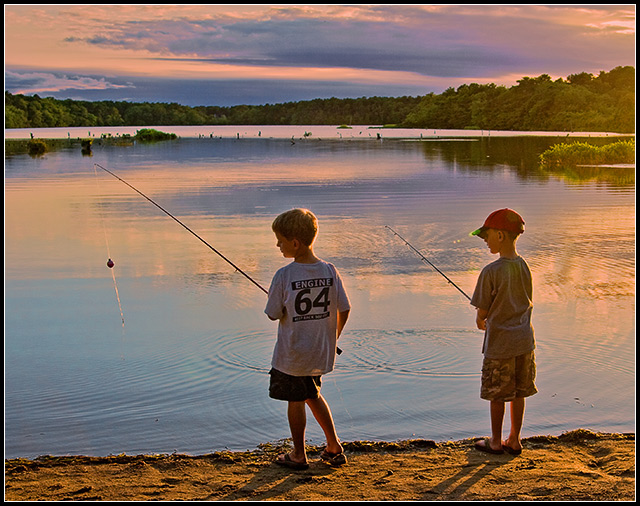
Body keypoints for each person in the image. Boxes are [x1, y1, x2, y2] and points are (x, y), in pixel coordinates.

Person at [265, 208, 351, 470]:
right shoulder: (329, 270)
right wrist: (332, 337)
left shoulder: (284, 275)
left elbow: (272, 314)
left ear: (295, 243)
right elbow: (344, 309)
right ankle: (334, 446)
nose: (277, 245)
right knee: (312, 394)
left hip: (293, 354)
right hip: (318, 351)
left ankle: (299, 455)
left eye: (280, 240)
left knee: (296, 399)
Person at [469, 208, 537, 456]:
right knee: (519, 392)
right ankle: (515, 439)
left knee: (497, 394)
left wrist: (479, 318)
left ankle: (496, 441)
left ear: (500, 235)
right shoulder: (524, 266)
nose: (485, 240)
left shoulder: (491, 271)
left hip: (500, 345)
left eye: (486, 235)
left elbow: (483, 310)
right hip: (524, 341)